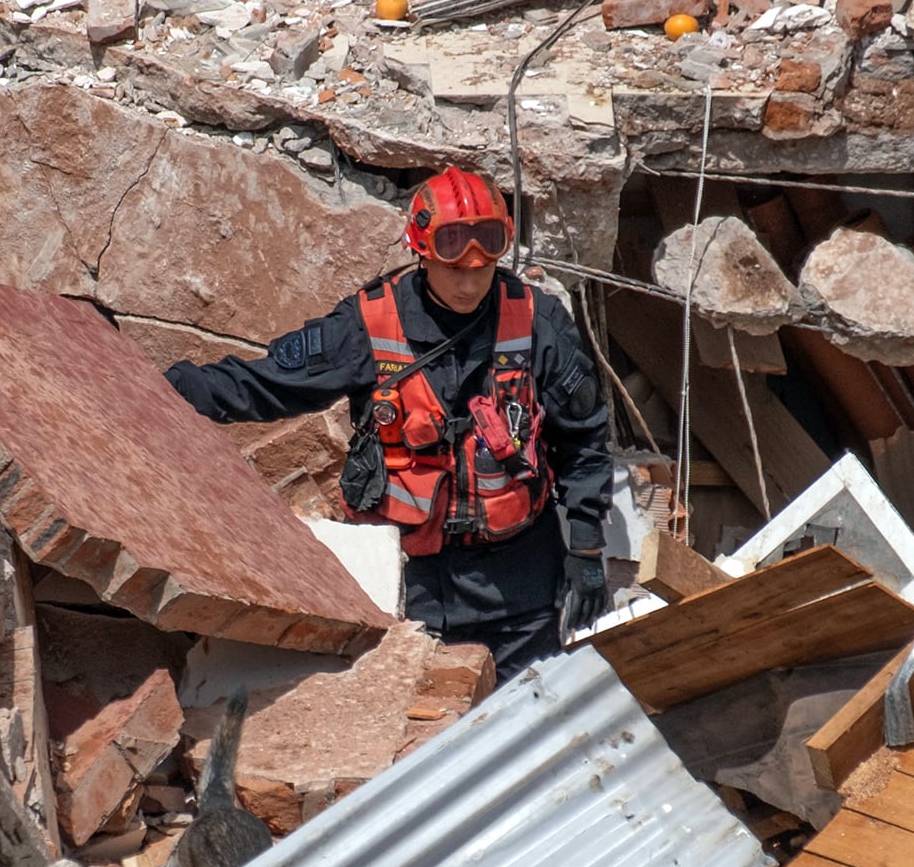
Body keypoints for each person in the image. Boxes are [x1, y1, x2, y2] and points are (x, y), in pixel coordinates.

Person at [164, 166, 613, 680]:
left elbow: (584, 441)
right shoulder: (368, 324)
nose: (469, 284)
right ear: (421, 253)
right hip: (409, 584)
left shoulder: (539, 321)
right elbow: (266, 385)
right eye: (455, 270)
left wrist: (585, 548)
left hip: (521, 585)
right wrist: (163, 387)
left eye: (482, 269)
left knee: (524, 730)